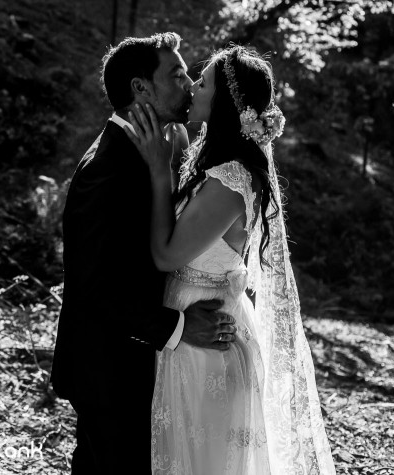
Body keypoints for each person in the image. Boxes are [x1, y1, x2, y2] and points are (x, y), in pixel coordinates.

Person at [124, 45, 335, 475]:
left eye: (202, 83)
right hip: (195, 327)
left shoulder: (230, 181)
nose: (192, 88)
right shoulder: (215, 165)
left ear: (222, 103)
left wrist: (157, 170)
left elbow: (166, 255)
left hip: (207, 342)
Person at [51, 33, 237, 474]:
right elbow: (93, 287)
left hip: (133, 363)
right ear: (141, 88)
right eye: (176, 74)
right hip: (107, 370)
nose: (189, 83)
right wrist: (177, 326)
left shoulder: (154, 151)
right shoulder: (106, 170)